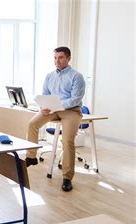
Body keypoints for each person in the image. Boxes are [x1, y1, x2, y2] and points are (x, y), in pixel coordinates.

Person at [25, 46, 85, 192]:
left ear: (68, 58)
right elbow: (45, 94)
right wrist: (44, 106)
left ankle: (67, 177)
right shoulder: (49, 76)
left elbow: (75, 99)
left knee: (67, 140)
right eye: (55, 58)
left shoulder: (77, 76)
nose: (57, 61)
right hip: (52, 109)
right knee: (32, 124)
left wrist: (58, 105)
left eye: (60, 57)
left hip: (71, 111)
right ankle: (31, 156)